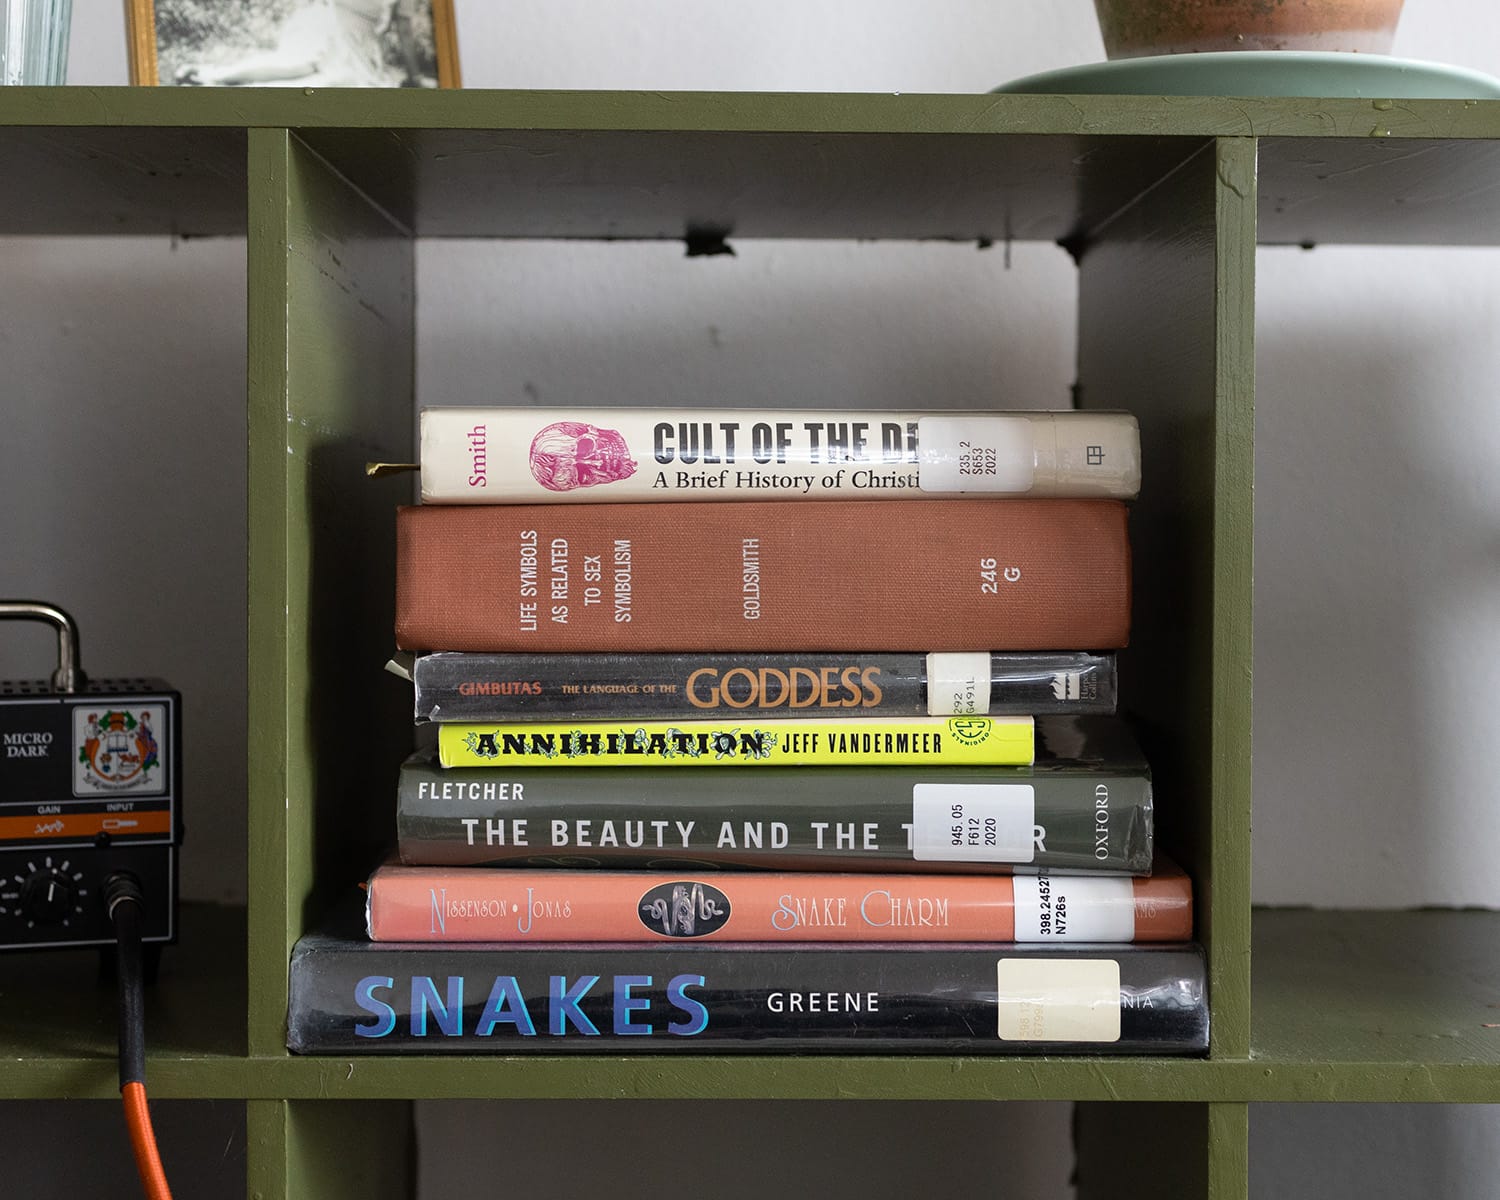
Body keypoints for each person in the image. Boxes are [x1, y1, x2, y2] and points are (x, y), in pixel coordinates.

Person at [172, 0, 427, 88]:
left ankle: (213, 76)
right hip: (328, 27)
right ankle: (213, 75)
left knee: (307, 71)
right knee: (301, 67)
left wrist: (415, 77)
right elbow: (402, 29)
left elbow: (403, 29)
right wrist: (415, 77)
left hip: (348, 38)